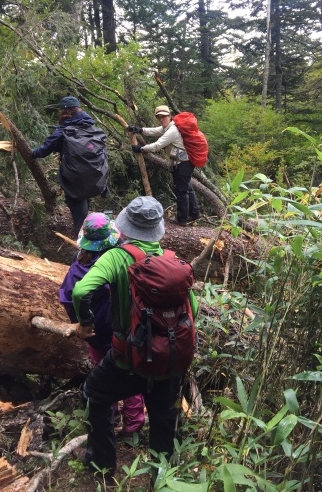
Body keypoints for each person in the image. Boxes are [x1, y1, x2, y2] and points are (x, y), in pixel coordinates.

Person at [72, 196, 198, 477]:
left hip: (126, 360)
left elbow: (80, 291)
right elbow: (194, 310)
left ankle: (101, 466)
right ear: (158, 229)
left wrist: (84, 323)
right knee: (165, 421)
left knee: (94, 394)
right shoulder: (171, 262)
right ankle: (162, 479)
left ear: (125, 225)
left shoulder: (116, 256)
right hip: (169, 362)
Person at [58, 212, 145, 437]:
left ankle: (110, 416)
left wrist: (83, 324)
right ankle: (133, 423)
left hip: (95, 335)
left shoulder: (77, 269)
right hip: (122, 333)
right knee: (128, 375)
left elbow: (69, 297)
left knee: (103, 373)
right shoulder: (120, 263)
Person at [31, 96, 96, 234]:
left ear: (67, 110)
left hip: (75, 177)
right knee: (83, 209)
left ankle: (83, 249)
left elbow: (46, 148)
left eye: (61, 110)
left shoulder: (66, 127)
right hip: (92, 175)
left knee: (79, 216)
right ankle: (89, 239)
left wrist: (31, 153)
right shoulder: (91, 126)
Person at [128, 105, 200, 226]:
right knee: (187, 187)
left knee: (181, 191)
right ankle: (195, 213)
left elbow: (157, 145)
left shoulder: (172, 131)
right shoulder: (169, 127)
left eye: (163, 117)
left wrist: (141, 148)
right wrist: (140, 130)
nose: (161, 119)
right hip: (183, 163)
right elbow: (155, 131)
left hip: (182, 164)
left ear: (169, 116)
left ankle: (182, 219)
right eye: (159, 117)